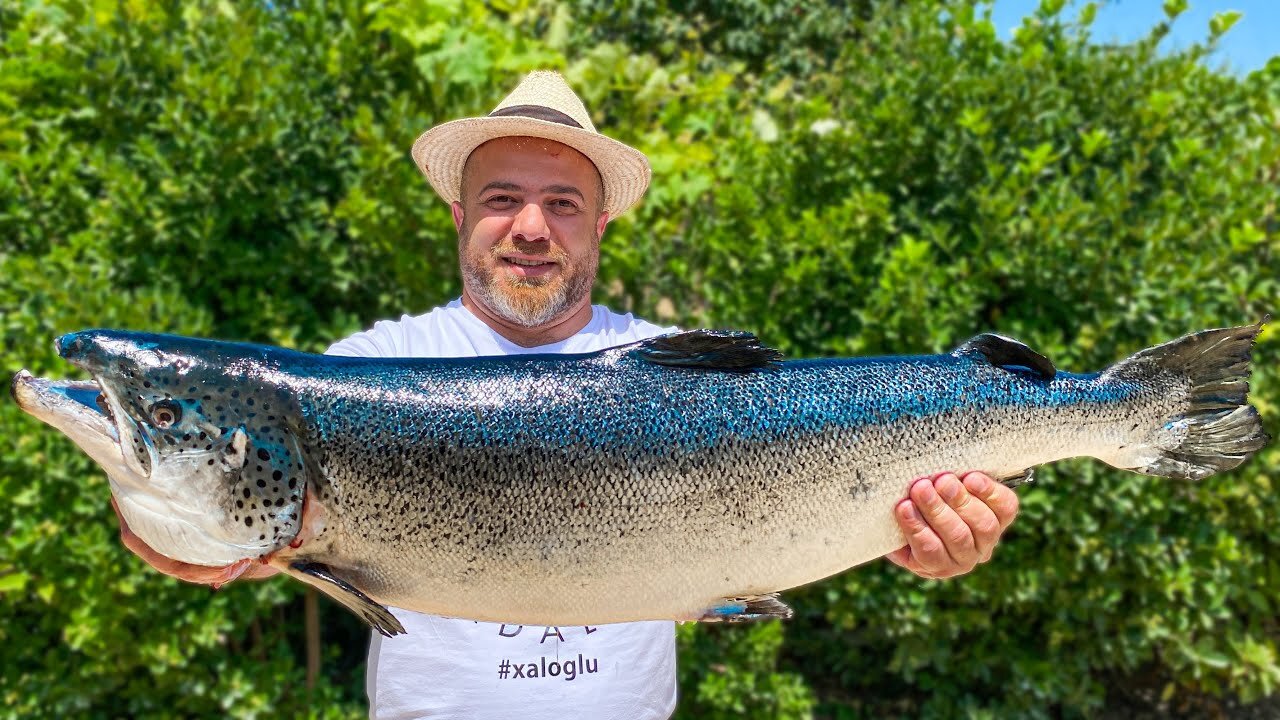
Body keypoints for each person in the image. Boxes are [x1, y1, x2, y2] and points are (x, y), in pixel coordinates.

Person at [114, 71, 1020, 719]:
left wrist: (920, 536)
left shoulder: (669, 364)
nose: (532, 227)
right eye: (503, 196)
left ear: (602, 223)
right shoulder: (373, 369)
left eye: (565, 203)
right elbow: (223, 512)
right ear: (461, 213)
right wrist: (169, 534)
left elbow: (832, 506)